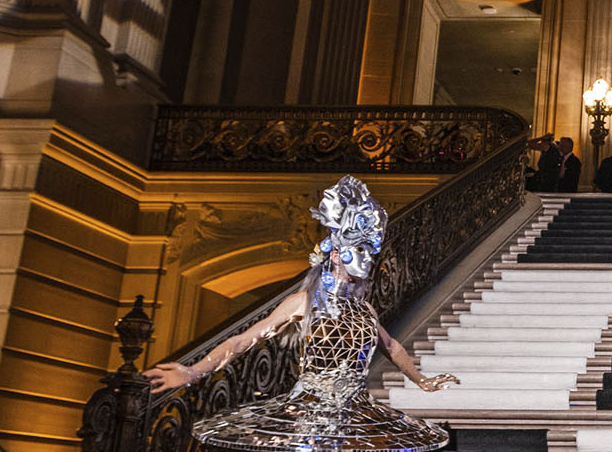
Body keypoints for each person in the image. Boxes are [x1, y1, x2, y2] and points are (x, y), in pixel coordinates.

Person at [144, 176, 458, 452]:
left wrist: (421, 380)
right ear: (337, 254)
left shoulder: (365, 308)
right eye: (360, 250)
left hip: (353, 414)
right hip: (311, 414)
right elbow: (244, 341)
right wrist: (194, 371)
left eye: (368, 251)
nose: (367, 259)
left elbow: (391, 347)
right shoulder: (304, 302)